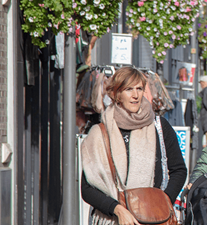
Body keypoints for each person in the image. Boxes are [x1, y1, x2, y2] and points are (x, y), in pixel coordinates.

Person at [80, 67, 187, 225]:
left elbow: (179, 170)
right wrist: (118, 209)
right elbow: (88, 188)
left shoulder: (159, 127)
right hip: (112, 219)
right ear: (117, 94)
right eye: (128, 89)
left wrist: (161, 203)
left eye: (139, 89)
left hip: (153, 218)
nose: (135, 95)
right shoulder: (100, 133)